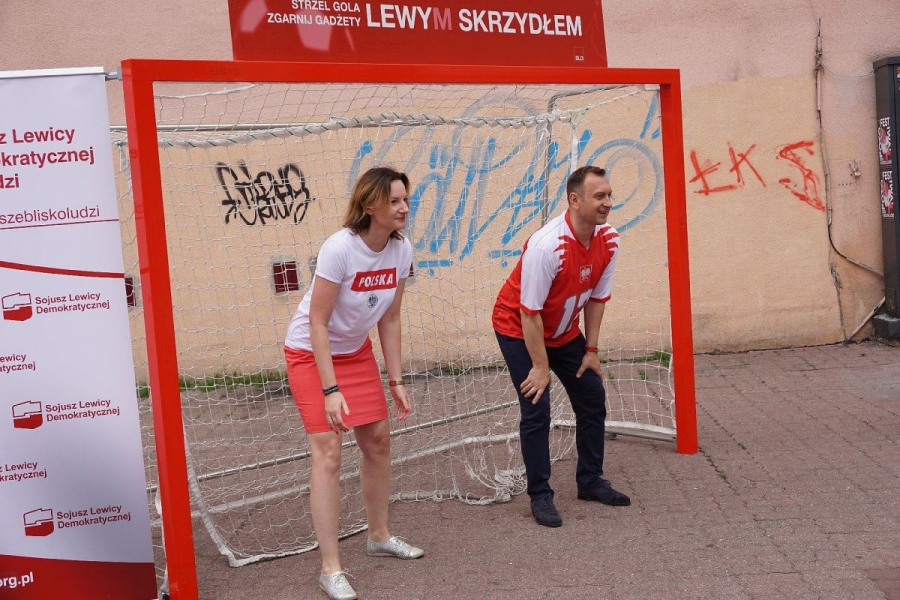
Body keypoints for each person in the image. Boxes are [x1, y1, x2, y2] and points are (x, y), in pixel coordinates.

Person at [284, 167, 424, 600]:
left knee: (378, 441)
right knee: (329, 452)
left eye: (405, 199)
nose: (404, 208)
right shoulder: (340, 248)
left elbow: (391, 318)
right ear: (369, 205)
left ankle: (379, 535)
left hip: (355, 352)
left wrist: (395, 379)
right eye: (394, 201)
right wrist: (330, 390)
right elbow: (317, 323)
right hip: (311, 353)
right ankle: (330, 569)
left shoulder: (401, 250)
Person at [492, 165, 631, 528]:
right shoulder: (546, 246)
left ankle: (590, 481)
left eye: (609, 195)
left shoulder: (609, 239)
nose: (607, 203)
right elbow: (529, 313)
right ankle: (540, 495)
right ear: (575, 200)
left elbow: (597, 298)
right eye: (599, 196)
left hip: (563, 331)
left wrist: (591, 350)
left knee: (591, 395)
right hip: (519, 328)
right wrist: (541, 368)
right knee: (536, 407)